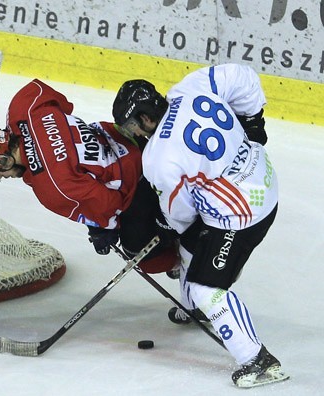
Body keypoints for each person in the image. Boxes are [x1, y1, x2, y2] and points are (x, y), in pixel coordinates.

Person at [111, 63, 288, 388]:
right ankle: (196, 310)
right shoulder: (189, 89)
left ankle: (257, 360)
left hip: (245, 210)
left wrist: (165, 226)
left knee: (207, 285)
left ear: (147, 118)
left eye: (133, 126)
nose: (135, 134)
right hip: (263, 175)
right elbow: (241, 76)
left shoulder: (157, 157)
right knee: (191, 246)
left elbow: (180, 213)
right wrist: (252, 119)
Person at [0, 78, 179, 277]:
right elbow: (60, 101)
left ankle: (186, 262)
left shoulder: (50, 187)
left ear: (4, 159)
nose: (2, 177)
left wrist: (104, 228)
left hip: (135, 180)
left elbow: (109, 204)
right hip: (128, 138)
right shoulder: (24, 108)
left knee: (141, 253)